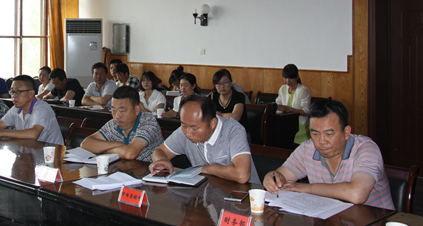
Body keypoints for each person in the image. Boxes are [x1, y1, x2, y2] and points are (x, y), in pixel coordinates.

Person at [263, 99, 394, 210]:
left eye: (329, 134)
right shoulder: (307, 149)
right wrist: (272, 178)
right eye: (315, 133)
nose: (321, 141)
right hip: (333, 218)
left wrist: (309, 189)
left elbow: (356, 194)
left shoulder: (366, 149)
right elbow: (281, 175)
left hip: (376, 220)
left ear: (346, 132)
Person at [150, 95, 259, 184]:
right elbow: (159, 151)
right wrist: (162, 160)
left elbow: (242, 175)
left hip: (245, 196)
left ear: (213, 123)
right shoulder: (186, 129)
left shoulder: (233, 130)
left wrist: (205, 169)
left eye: (195, 128)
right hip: (208, 191)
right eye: (184, 125)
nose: (188, 133)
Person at [81, 86, 164, 161]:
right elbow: (85, 144)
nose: (117, 116)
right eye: (113, 110)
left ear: (137, 109)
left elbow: (129, 153)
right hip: (123, 170)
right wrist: (118, 145)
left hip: (149, 171)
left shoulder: (148, 122)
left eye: (122, 111)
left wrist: (103, 150)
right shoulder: (114, 124)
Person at [0, 75, 63, 145]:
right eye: (12, 91)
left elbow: (34, 134)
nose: (14, 96)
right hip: (30, 151)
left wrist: (1, 133)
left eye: (18, 91)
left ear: (31, 93)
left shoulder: (42, 108)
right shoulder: (16, 108)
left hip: (52, 154)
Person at [275, 64, 312, 144]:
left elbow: (306, 112)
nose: (287, 81)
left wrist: (289, 109)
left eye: (290, 78)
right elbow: (278, 103)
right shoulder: (283, 88)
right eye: (285, 78)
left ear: (297, 77)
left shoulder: (303, 90)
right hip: (285, 123)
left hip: (300, 126)